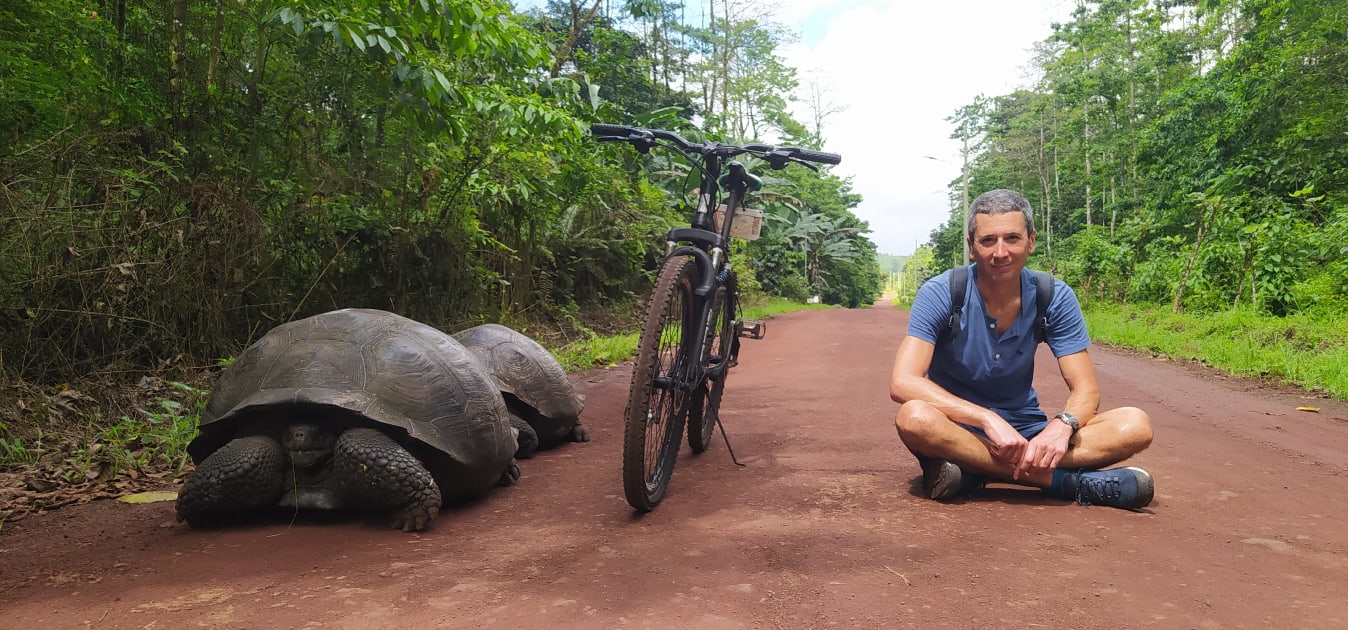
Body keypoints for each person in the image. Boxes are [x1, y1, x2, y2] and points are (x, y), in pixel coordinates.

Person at [889, 189, 1155, 509]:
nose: (1001, 252)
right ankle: (1065, 482)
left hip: (1027, 430)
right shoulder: (942, 293)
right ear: (971, 246)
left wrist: (1062, 426)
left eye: (1012, 238)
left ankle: (975, 471)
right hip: (956, 428)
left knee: (1135, 424)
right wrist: (986, 418)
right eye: (988, 240)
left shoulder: (1052, 296)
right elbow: (903, 382)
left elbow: (1086, 391)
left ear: (1031, 241)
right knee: (914, 417)